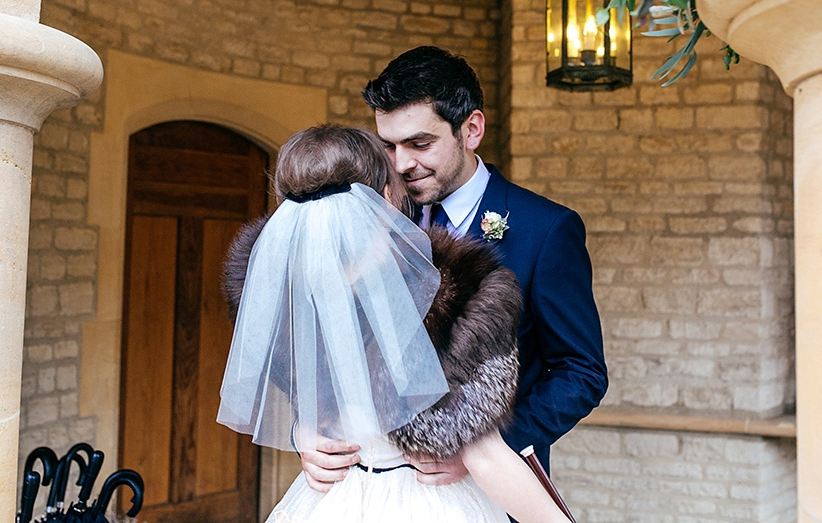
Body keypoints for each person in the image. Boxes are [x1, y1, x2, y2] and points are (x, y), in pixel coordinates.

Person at [219, 124, 578, 523]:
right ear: (387, 196)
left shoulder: (290, 299)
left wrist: (304, 429)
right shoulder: (448, 302)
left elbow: (312, 399)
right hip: (428, 505)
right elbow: (486, 456)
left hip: (329, 505)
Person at [300, 46, 607, 492]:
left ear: (472, 129)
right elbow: (326, 348)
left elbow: (581, 372)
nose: (402, 164)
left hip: (491, 489)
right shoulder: (371, 222)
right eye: (388, 145)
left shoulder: (547, 229)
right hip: (374, 488)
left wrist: (485, 447)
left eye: (420, 143)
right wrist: (307, 432)